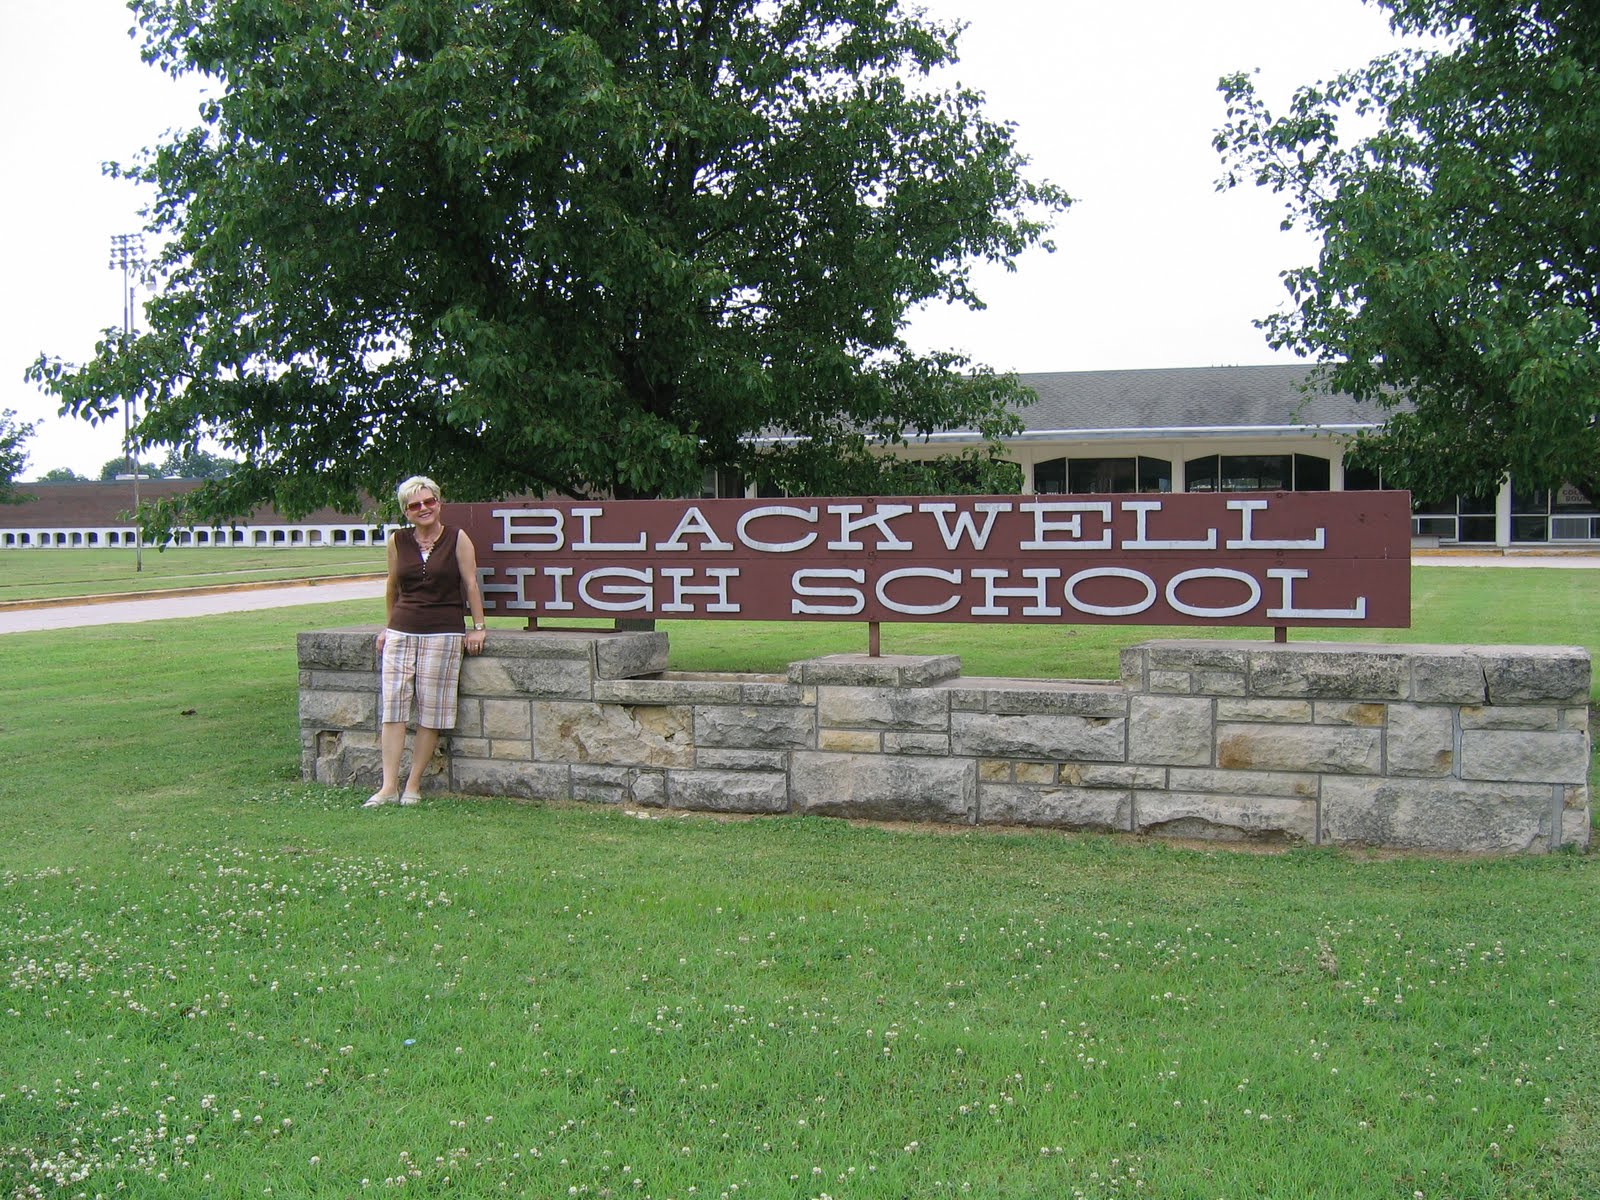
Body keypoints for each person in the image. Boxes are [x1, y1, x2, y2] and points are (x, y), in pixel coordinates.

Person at [365, 475, 488, 807]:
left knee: (432, 711)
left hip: (444, 632)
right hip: (402, 630)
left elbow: (470, 584)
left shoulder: (457, 538)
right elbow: (393, 586)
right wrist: (388, 627)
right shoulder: (397, 541)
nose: (424, 508)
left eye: (428, 501)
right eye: (415, 505)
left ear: (439, 502)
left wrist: (477, 627)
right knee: (393, 708)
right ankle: (388, 786)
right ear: (406, 511)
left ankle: (413, 785)